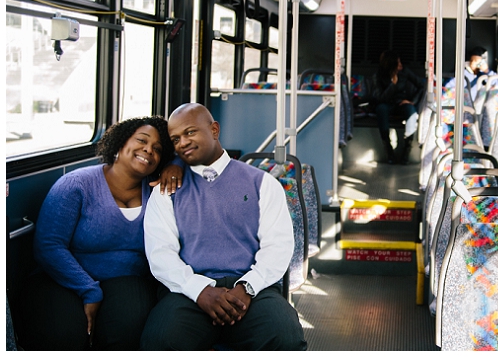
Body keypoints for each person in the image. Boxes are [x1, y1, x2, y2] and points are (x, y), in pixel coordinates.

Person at [140, 103, 307, 351]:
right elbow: (160, 253)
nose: (182, 142)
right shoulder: (168, 190)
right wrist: (201, 291)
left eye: (190, 132)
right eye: (175, 139)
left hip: (252, 290)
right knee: (160, 341)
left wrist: (246, 287)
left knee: (285, 338)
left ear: (214, 130)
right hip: (190, 291)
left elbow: (278, 246)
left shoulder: (263, 184)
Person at [15, 116, 180, 350]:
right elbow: (48, 246)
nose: (148, 150)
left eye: (157, 149)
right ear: (121, 142)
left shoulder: (158, 192)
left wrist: (177, 165)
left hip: (127, 281)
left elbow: (195, 161)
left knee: (127, 332)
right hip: (63, 279)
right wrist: (89, 289)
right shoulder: (76, 184)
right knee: (64, 336)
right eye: (142, 140)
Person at [371, 50, 424, 164]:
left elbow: (421, 85)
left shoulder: (405, 72)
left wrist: (412, 101)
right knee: (381, 109)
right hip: (386, 103)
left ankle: (406, 150)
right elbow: (380, 98)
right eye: (398, 63)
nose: (401, 65)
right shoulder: (378, 75)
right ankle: (389, 150)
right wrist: (392, 85)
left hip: (401, 103)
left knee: (411, 111)